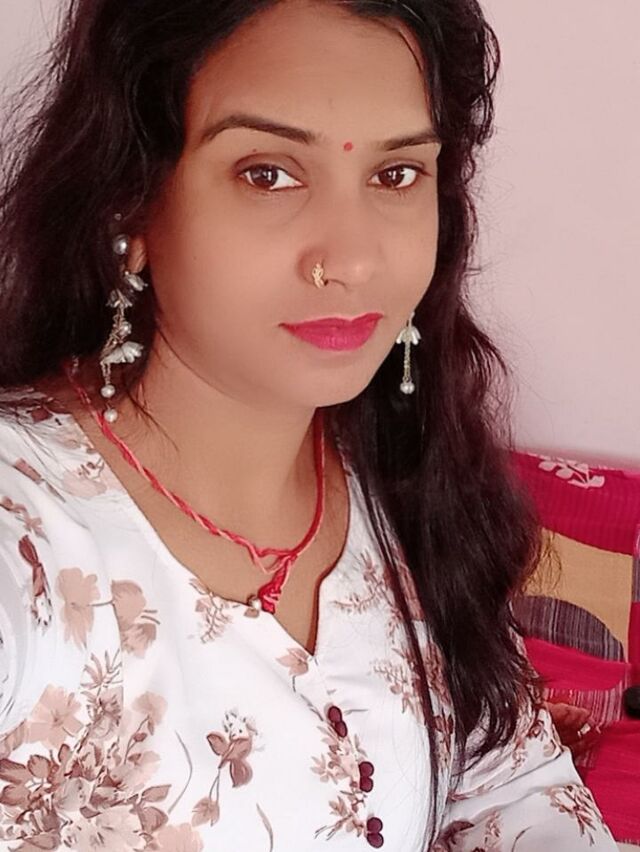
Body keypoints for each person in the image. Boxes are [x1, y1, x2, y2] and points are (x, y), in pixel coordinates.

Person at [0, 0, 618, 849]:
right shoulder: (26, 545)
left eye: (396, 175)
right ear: (129, 208)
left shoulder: (402, 472)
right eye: (268, 174)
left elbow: (509, 778)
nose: (353, 259)